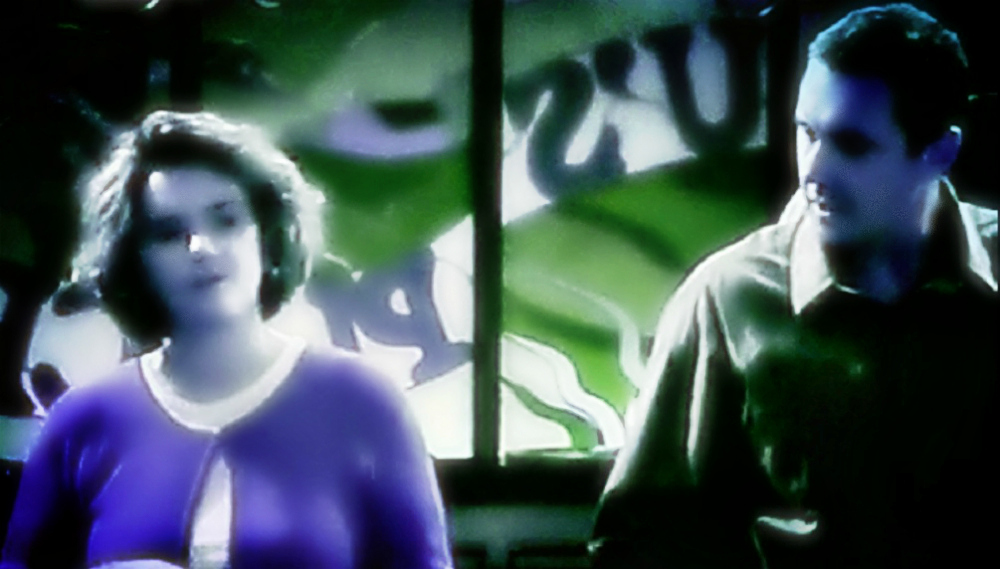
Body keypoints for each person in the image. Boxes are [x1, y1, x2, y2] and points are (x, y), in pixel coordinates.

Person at [590, 3, 997, 568]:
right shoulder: (727, 297)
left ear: (939, 153)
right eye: (807, 133)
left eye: (852, 145)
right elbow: (642, 536)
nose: (814, 171)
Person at [1, 110, 454, 569]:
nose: (201, 246)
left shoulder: (364, 403)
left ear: (268, 237)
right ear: (134, 261)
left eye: (226, 220)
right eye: (169, 233)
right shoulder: (80, 422)